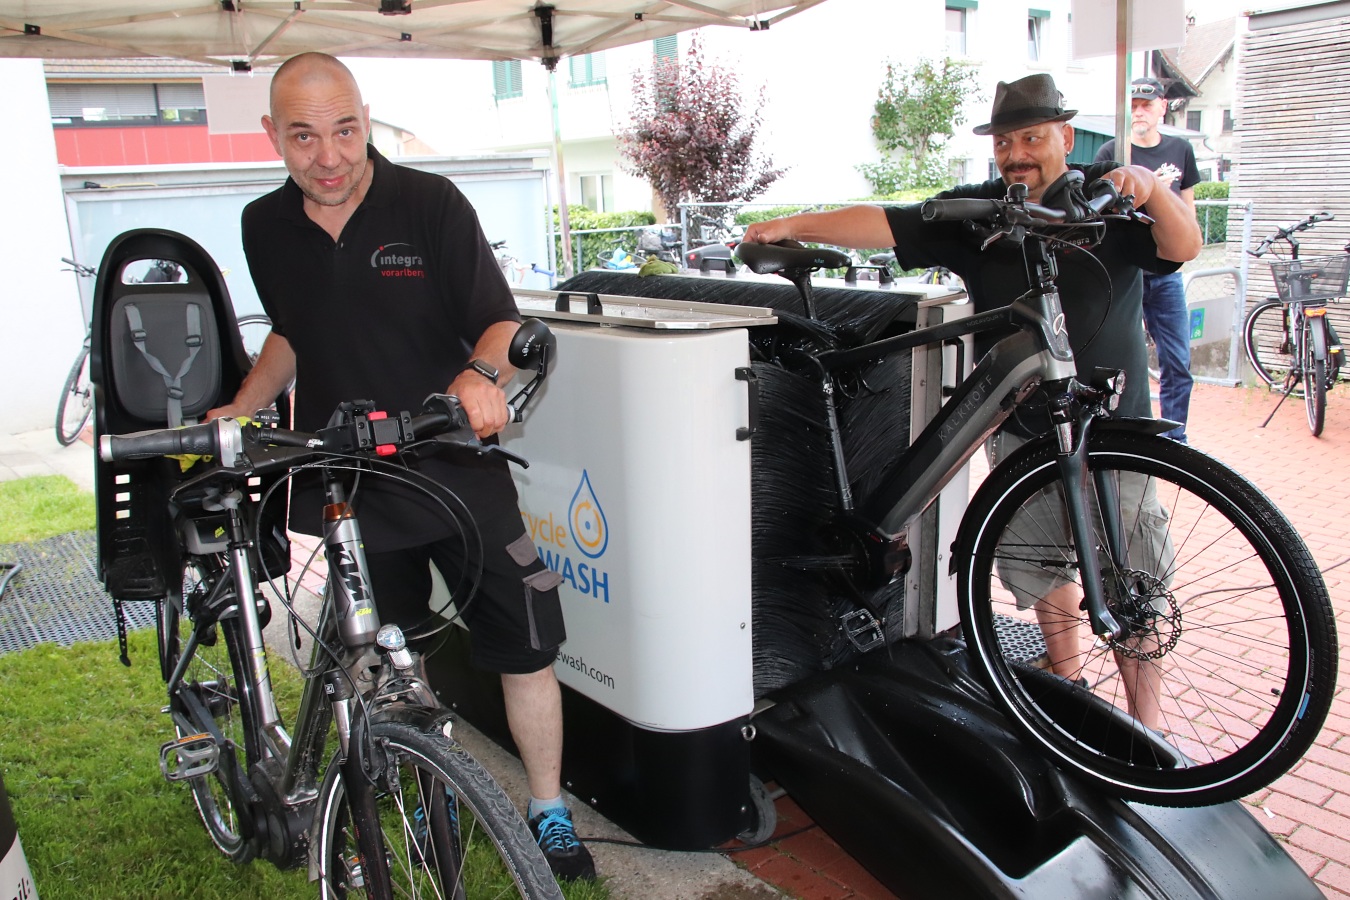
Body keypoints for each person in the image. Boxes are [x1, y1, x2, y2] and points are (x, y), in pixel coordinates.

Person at [206, 52, 595, 881]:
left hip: (456, 469)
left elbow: (498, 322)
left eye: (346, 130)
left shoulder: (430, 204)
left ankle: (548, 809)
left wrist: (480, 376)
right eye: (304, 137)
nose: (330, 157)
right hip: (350, 486)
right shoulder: (262, 225)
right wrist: (243, 403)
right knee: (383, 657)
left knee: (527, 644)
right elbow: (292, 331)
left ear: (366, 119)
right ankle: (424, 787)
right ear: (273, 135)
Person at [744, 74, 1202, 729]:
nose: (1017, 153)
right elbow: (887, 221)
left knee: (1134, 584)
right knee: (1044, 570)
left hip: (1113, 428)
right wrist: (794, 223)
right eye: (1006, 141)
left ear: (1065, 136)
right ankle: (1071, 693)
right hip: (1024, 430)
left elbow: (1181, 246)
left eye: (1032, 138)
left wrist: (1152, 187)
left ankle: (1149, 728)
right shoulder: (982, 213)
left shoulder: (1103, 200)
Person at [1094, 77, 1202, 443]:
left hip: (1167, 272)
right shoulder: (1112, 152)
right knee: (1122, 362)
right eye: (1133, 106)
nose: (1139, 112)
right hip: (1128, 273)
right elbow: (1100, 218)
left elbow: (1188, 209)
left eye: (1146, 105)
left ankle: (1175, 442)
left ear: (1162, 107)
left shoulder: (1180, 149)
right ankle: (1121, 442)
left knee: (1177, 361)